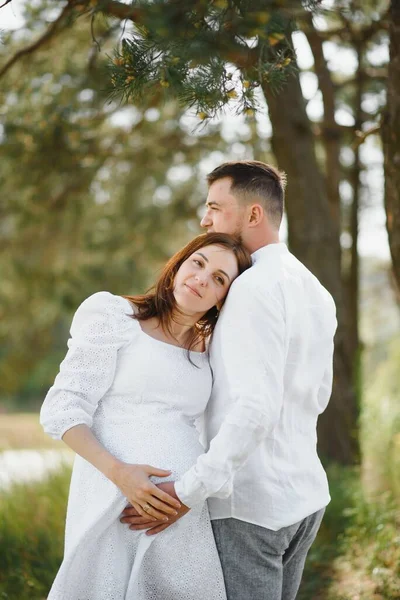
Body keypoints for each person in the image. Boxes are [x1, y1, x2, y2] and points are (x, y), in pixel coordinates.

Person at [123, 161, 338, 600]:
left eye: (216, 208)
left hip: (250, 507)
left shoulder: (252, 287)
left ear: (253, 215)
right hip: (305, 497)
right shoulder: (316, 289)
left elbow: (255, 410)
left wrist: (186, 492)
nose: (205, 220)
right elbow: (318, 395)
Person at [40, 232, 252, 600]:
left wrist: (190, 494)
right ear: (179, 264)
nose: (202, 278)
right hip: (112, 497)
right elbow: (63, 408)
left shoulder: (212, 350)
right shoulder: (116, 316)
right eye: (198, 263)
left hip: (180, 510)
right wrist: (120, 474)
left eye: (219, 278)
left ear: (224, 298)